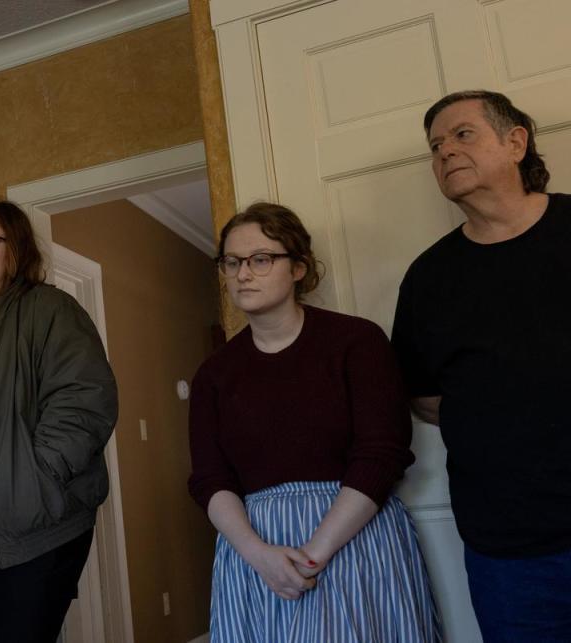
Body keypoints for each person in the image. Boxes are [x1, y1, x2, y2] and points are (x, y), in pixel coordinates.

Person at [188, 202, 440, 642]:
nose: (242, 274)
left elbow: (382, 454)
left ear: (299, 267)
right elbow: (210, 479)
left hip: (354, 541)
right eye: (231, 262)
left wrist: (314, 555)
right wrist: (258, 555)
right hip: (255, 554)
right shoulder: (214, 374)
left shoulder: (357, 342)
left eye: (261, 259)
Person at [391, 89, 571, 641]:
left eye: (462, 134)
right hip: (509, 551)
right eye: (435, 146)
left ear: (516, 142)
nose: (444, 152)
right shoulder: (428, 278)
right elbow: (421, 395)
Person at [0, 200, 117, 643]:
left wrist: (35, 477)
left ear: (17, 248)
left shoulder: (49, 308)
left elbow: (85, 399)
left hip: (25, 510)